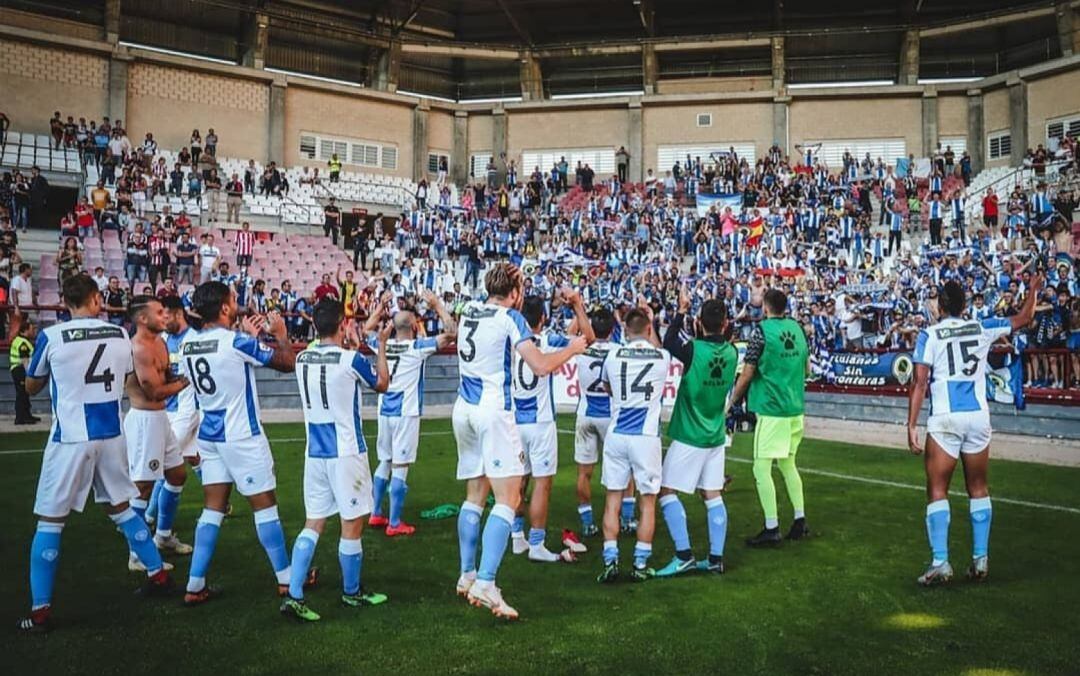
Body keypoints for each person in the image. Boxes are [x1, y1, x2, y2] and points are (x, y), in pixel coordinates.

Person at [17, 275, 174, 633]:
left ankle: (40, 611)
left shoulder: (52, 336)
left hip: (71, 436)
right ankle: (158, 574)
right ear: (96, 299)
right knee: (121, 507)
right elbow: (130, 375)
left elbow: (31, 384)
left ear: (65, 301)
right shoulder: (119, 334)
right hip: (111, 433)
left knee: (50, 520)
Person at [452, 263, 586, 620]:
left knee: (475, 495)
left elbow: (452, 330)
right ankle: (486, 582)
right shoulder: (511, 318)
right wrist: (572, 350)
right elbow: (540, 365)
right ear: (515, 293)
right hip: (493, 411)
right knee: (509, 497)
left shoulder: (469, 310)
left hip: (463, 407)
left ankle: (467, 575)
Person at [906, 275, 1044, 585]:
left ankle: (940, 561)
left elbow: (920, 382)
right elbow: (1024, 318)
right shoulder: (981, 327)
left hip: (946, 418)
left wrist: (912, 425)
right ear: (964, 305)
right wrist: (1033, 290)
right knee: (978, 487)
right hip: (978, 417)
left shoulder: (930, 334)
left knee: (937, 490)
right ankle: (980, 558)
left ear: (941, 305)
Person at [179, 281, 303, 606]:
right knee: (265, 506)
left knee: (212, 508)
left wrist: (247, 337)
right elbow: (288, 363)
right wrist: (281, 333)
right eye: (233, 300)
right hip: (240, 434)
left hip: (209, 435)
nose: (237, 303)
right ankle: (287, 579)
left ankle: (195, 584)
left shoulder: (189, 345)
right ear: (223, 307)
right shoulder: (235, 341)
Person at [280, 300, 392, 622]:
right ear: (343, 323)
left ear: (315, 325)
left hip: (314, 452)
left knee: (313, 522)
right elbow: (383, 384)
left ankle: (295, 595)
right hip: (345, 452)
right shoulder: (351, 359)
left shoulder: (302, 358)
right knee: (352, 524)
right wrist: (380, 345)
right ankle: (352, 593)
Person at [654, 294, 738, 577]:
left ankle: (684, 555)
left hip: (691, 434)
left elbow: (668, 342)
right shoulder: (732, 352)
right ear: (725, 323)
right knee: (711, 494)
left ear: (699, 323)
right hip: (715, 434)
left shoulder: (693, 350)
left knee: (666, 491)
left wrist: (680, 311)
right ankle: (715, 558)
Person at [510, 290, 594, 562]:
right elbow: (588, 340)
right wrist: (578, 305)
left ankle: (516, 537)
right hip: (541, 422)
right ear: (543, 318)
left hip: (513, 421)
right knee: (542, 484)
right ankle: (537, 544)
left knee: (518, 481)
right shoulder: (547, 340)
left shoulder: (510, 341)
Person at [367, 290, 456, 536]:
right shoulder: (417, 347)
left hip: (384, 411)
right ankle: (394, 523)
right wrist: (437, 305)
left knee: (384, 460)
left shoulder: (381, 345)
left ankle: (376, 513)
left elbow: (364, 331)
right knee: (401, 464)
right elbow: (451, 333)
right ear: (415, 325)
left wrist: (378, 309)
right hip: (405, 412)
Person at [730, 288, 811, 547]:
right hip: (795, 407)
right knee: (788, 464)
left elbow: (748, 371)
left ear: (765, 307)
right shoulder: (797, 329)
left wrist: (732, 401)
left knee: (761, 467)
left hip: (773, 409)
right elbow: (807, 368)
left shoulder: (761, 332)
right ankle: (799, 520)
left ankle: (771, 526)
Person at [595, 307, 670, 583]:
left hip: (617, 433)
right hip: (645, 437)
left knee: (612, 499)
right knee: (647, 502)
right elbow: (659, 350)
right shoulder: (662, 356)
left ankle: (611, 560)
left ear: (625, 330)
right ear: (649, 329)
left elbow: (607, 388)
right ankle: (639, 564)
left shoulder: (613, 353)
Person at [122, 296, 193, 572]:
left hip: (160, 417)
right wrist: (186, 382)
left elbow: (166, 377)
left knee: (177, 475)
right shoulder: (138, 348)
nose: (165, 315)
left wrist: (178, 378)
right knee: (142, 486)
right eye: (159, 312)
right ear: (142, 318)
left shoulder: (161, 342)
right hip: (144, 421)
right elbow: (155, 390)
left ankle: (162, 536)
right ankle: (136, 555)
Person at [574, 308, 634, 537]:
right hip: (610, 416)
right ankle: (626, 519)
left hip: (586, 414)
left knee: (584, 472)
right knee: (624, 469)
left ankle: (588, 522)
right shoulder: (619, 351)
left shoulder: (581, 348)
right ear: (612, 329)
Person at [8, 311, 40, 425]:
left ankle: (26, 415)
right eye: (31, 329)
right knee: (21, 393)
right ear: (25, 331)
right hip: (20, 369)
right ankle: (20, 418)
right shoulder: (23, 343)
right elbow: (25, 361)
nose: (33, 331)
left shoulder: (21, 340)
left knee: (24, 393)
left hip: (17, 369)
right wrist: (29, 375)